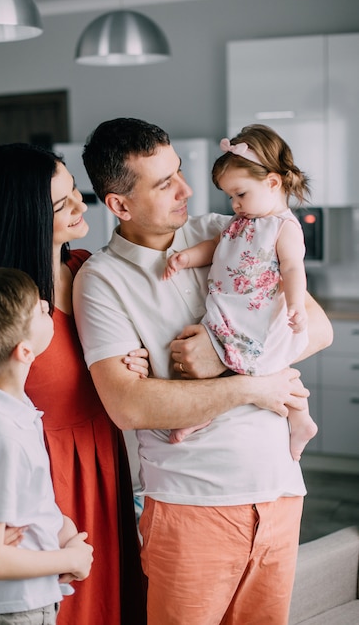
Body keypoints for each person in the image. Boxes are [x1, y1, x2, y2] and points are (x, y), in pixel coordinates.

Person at [72, 117, 333, 625]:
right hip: (192, 506)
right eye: (164, 182)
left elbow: (318, 329)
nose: (187, 190)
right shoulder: (101, 281)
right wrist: (252, 385)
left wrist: (220, 361)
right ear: (119, 205)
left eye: (180, 172)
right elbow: (129, 405)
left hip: (279, 492)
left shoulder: (224, 228)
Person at [0, 144, 148, 625]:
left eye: (76, 191)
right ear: (26, 217)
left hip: (105, 465)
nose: (81, 205)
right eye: (62, 204)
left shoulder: (86, 268)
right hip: (47, 484)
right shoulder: (6, 311)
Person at [0, 267, 94, 624]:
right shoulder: (0, 439)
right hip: (13, 610)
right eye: (40, 310)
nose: (47, 304)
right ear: (24, 351)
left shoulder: (1, 401)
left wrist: (66, 534)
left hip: (18, 601)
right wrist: (70, 560)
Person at [164, 124, 318, 460]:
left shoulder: (284, 227)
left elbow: (292, 269)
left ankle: (299, 417)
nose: (234, 204)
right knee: (213, 363)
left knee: (261, 368)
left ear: (273, 182)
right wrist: (186, 258)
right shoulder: (239, 222)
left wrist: (296, 306)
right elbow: (215, 247)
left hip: (257, 316)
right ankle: (203, 412)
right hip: (228, 309)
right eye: (230, 196)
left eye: (241, 194)